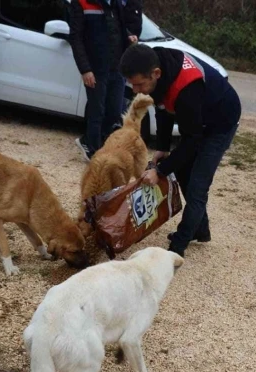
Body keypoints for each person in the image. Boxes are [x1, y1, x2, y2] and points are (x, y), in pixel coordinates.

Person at [120, 44, 241, 257]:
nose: (136, 91)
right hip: (197, 119)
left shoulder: (187, 88)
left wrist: (160, 171)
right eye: (132, 85)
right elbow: (163, 110)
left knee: (197, 187)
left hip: (220, 122)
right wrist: (163, 148)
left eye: (139, 85)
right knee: (183, 172)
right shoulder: (157, 66)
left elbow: (192, 141)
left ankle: (177, 249)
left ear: (155, 74)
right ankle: (200, 230)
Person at [68, 0, 142, 161]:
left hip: (117, 68)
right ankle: (94, 152)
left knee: (115, 113)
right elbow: (76, 38)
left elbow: (122, 30)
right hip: (95, 69)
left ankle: (95, 145)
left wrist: (130, 39)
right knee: (97, 111)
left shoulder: (117, 5)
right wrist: (85, 69)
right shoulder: (81, 3)